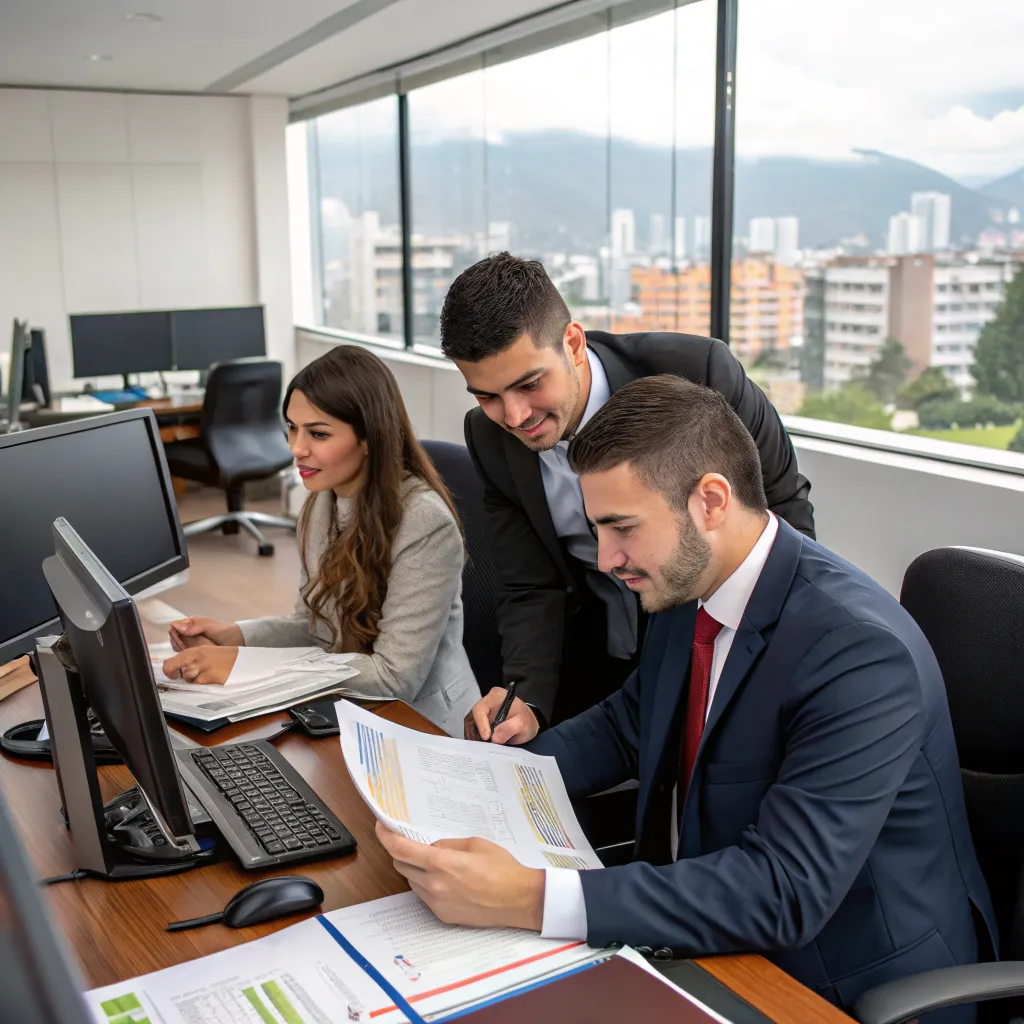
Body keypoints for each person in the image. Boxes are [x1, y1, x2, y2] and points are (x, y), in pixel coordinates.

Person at [376, 375, 995, 1019]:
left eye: (622, 528)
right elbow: (628, 724)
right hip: (710, 939)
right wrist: (477, 784)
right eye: (596, 529)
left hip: (838, 982)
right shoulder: (687, 584)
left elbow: (784, 891)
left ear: (710, 501)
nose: (606, 558)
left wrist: (529, 897)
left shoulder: (859, 652)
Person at [441, 252, 814, 730]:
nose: (514, 417)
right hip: (593, 651)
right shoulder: (489, 437)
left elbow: (782, 515)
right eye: (487, 396)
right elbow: (532, 585)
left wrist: (759, 667)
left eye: (530, 384)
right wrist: (527, 701)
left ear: (572, 343)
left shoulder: (701, 374)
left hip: (714, 636)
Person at [161, 345, 479, 737]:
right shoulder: (322, 503)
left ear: (369, 438)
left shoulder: (425, 524)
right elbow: (313, 624)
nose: (296, 448)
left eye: (318, 433)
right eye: (292, 427)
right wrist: (238, 637)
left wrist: (246, 664)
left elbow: (394, 678)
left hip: (424, 725)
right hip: (352, 707)